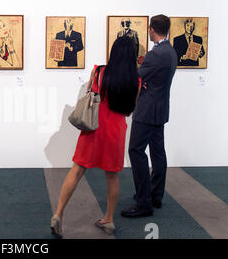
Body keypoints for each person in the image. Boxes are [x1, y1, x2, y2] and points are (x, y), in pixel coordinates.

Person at [50, 36, 141, 237]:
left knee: (76, 171)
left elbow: (92, 93)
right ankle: (108, 219)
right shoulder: (136, 80)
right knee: (112, 176)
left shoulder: (99, 71)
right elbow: (129, 111)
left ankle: (58, 213)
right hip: (116, 130)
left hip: (94, 127)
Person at [121, 14, 177, 218]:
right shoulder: (170, 51)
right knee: (158, 153)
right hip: (160, 109)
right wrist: (147, 80)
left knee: (136, 151)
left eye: (150, 29)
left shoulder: (156, 54)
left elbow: (138, 74)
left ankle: (144, 203)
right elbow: (153, 77)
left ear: (152, 29)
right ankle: (155, 196)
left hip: (146, 110)